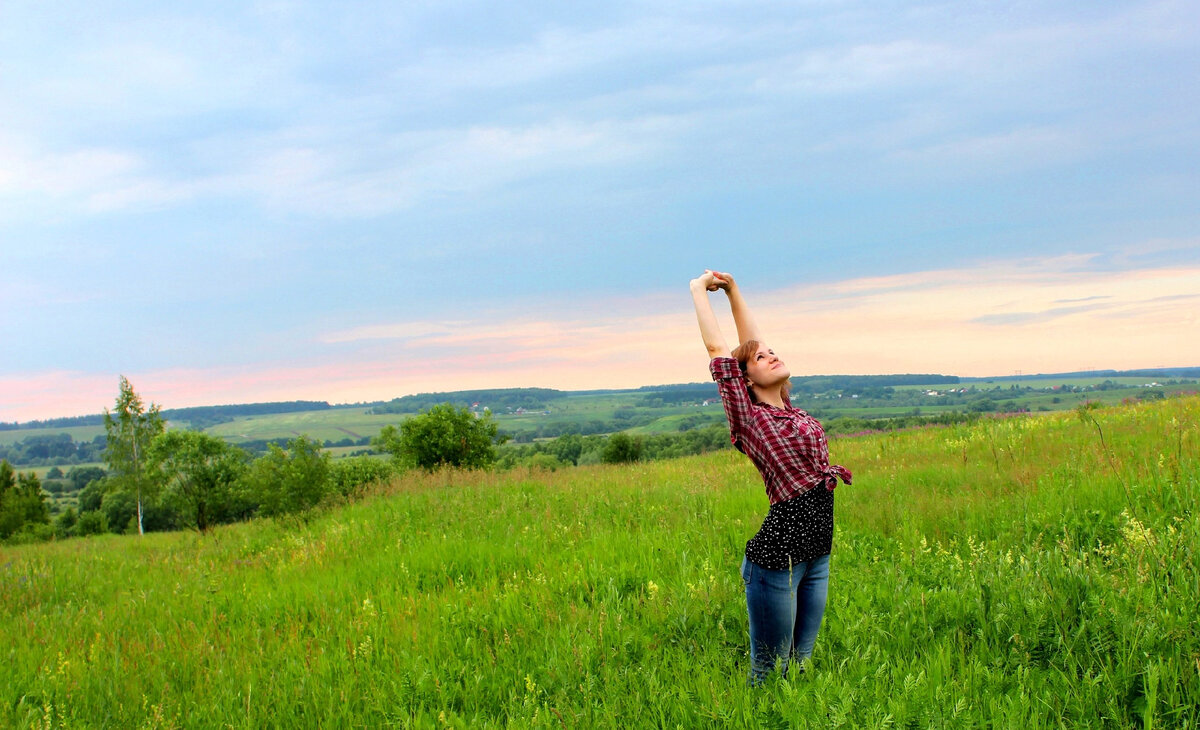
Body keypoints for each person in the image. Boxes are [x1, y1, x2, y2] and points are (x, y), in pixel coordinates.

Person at [689, 269, 852, 684]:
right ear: (745, 379)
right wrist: (699, 291)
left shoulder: (790, 409)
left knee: (800, 664)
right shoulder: (749, 419)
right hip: (777, 560)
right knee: (767, 671)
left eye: (773, 352)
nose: (771, 355)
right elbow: (717, 348)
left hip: (818, 553)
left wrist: (734, 291)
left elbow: (753, 343)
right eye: (760, 359)